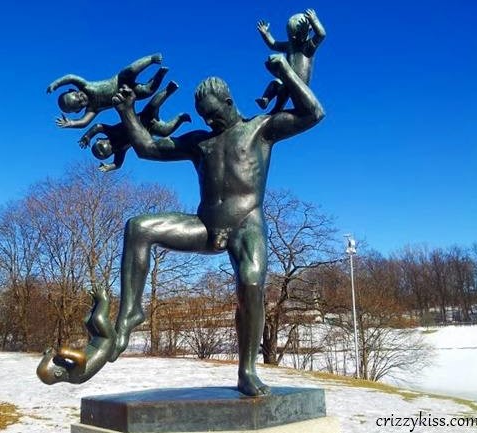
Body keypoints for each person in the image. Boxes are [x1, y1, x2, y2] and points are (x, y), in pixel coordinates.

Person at [109, 54, 324, 396]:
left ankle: (247, 370)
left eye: (213, 112)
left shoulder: (260, 130)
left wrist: (285, 70)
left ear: (228, 102)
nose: (209, 120)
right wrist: (127, 113)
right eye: (204, 116)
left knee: (251, 284)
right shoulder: (200, 142)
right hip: (206, 226)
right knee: (138, 227)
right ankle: (131, 312)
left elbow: (313, 113)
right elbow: (149, 148)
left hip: (246, 225)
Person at [78, 81, 191, 172]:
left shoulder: (111, 132)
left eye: (101, 147)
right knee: (165, 131)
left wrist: (88, 136)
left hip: (141, 119)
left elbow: (98, 127)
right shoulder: (120, 151)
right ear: (110, 154)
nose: (104, 150)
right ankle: (181, 118)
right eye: (104, 154)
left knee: (153, 105)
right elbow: (118, 164)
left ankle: (169, 89)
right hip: (148, 132)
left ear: (100, 139)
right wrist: (109, 167)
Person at [46, 53, 168, 130]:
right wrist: (71, 123)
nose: (81, 98)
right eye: (79, 103)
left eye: (77, 95)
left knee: (131, 69)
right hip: (126, 94)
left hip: (119, 81)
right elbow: (84, 122)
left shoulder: (85, 86)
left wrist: (56, 83)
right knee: (147, 91)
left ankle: (151, 59)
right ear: (78, 110)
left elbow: (71, 77)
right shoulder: (93, 109)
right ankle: (160, 74)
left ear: (73, 89)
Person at [256, 9, 325, 113]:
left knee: (284, 88)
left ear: (308, 31)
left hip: (300, 82)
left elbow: (321, 35)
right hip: (287, 79)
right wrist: (265, 34)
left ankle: (277, 107)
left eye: (297, 34)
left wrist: (314, 20)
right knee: (276, 84)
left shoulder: (308, 46)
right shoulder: (290, 46)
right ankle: (267, 101)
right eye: (291, 35)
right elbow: (273, 45)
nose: (293, 37)